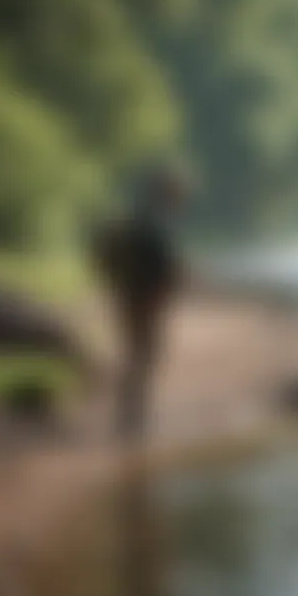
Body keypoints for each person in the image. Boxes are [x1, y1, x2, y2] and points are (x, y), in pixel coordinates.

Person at [91, 165, 189, 440]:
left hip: (128, 293)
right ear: (166, 192)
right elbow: (163, 264)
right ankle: (131, 417)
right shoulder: (155, 222)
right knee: (144, 352)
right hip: (144, 296)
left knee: (138, 350)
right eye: (178, 190)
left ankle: (131, 413)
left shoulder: (140, 219)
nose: (182, 196)